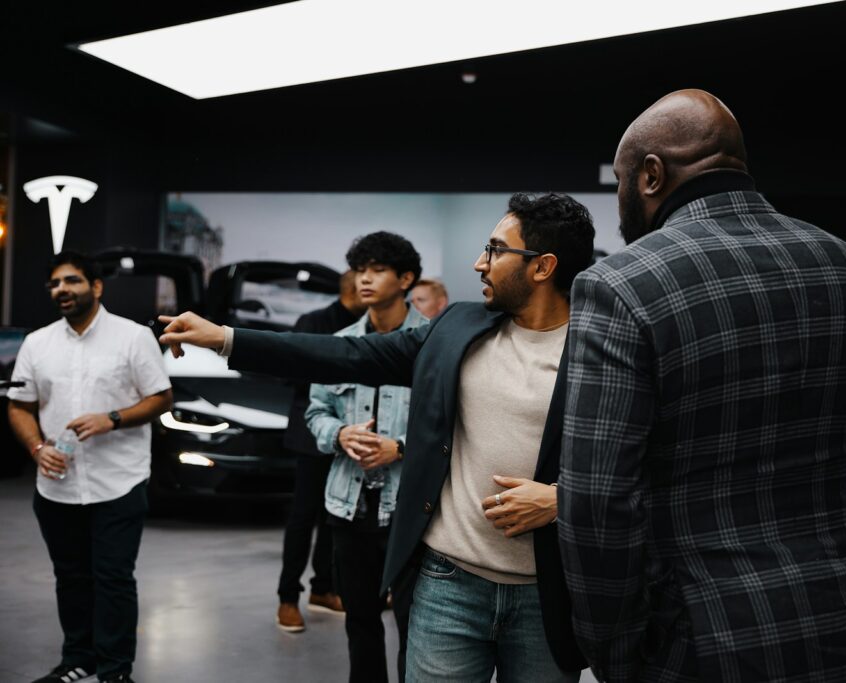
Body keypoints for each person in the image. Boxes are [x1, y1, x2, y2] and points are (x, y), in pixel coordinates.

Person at [558, 90, 846, 681]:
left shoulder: (620, 285)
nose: (620, 201)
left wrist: (616, 656)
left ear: (652, 174)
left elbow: (597, 502)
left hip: (706, 638)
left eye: (621, 180)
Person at [157, 193, 595, 681]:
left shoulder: (598, 351)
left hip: (546, 593)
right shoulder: (458, 327)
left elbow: (652, 465)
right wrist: (226, 338)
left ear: (543, 266)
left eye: (495, 250)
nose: (479, 263)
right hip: (448, 582)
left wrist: (562, 499)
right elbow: (348, 355)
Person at [7, 251, 173, 683]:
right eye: (55, 283)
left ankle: (116, 670)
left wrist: (112, 418)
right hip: (57, 486)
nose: (62, 289)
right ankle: (78, 659)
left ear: (96, 287)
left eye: (72, 281)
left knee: (114, 578)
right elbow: (20, 406)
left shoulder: (133, 337)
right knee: (71, 577)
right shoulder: (37, 343)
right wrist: (36, 447)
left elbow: (161, 398)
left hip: (118, 481)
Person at [306, 232, 428, 681]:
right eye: (361, 269)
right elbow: (315, 412)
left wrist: (401, 448)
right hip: (348, 505)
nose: (365, 278)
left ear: (406, 278)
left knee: (414, 624)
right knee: (360, 619)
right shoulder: (338, 343)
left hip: (409, 508)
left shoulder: (431, 345)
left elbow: (450, 426)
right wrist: (339, 434)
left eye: (377, 269)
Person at [276, 269, 366, 632]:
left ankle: (322, 589)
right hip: (313, 434)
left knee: (336, 515)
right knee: (303, 518)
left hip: (352, 434)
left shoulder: (367, 324)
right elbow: (289, 372)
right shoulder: (313, 322)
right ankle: (287, 598)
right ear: (354, 288)